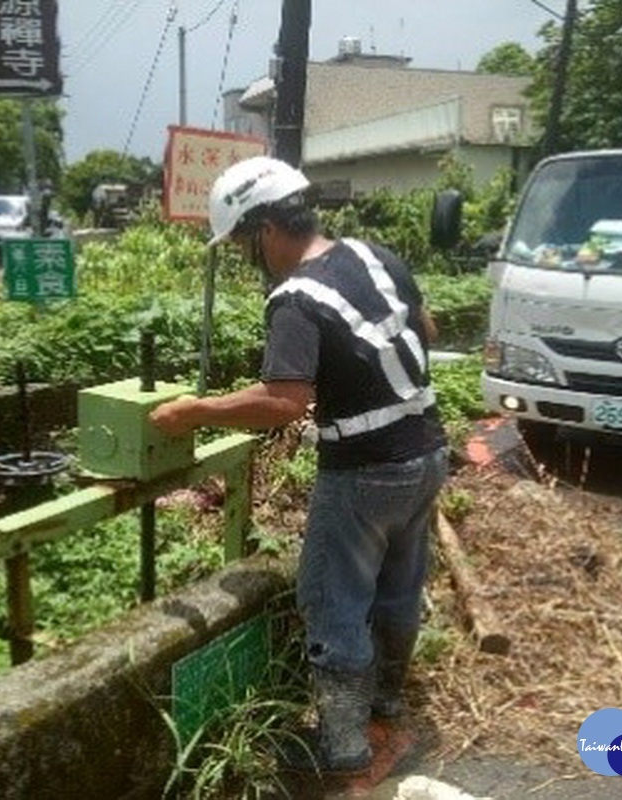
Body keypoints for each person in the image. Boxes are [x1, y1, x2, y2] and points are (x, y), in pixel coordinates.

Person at [149, 155, 449, 775]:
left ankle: (342, 746)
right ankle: (388, 699)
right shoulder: (374, 255)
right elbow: (428, 327)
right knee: (398, 586)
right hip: (427, 452)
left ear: (264, 231)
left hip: (364, 471)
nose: (245, 259)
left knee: (331, 598)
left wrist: (197, 411)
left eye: (241, 246)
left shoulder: (295, 299)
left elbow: (284, 403)